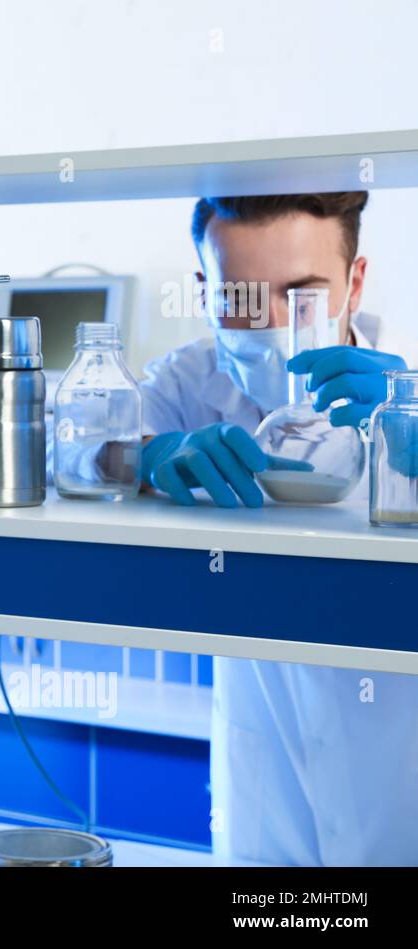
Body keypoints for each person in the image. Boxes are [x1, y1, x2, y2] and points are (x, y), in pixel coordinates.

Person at [138, 191, 418, 864]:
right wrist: (141, 456)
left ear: (353, 283)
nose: (269, 325)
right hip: (263, 752)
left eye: (302, 295)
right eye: (237, 297)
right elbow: (77, 447)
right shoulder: (189, 382)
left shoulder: (408, 382)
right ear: (203, 288)